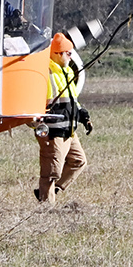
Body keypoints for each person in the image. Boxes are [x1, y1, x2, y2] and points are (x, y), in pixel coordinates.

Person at [34, 31, 91, 203]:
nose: (71, 56)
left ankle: (53, 190)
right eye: (68, 53)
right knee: (51, 172)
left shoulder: (67, 72)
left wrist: (84, 116)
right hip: (53, 131)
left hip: (69, 129)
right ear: (57, 54)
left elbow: (72, 100)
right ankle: (46, 206)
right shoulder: (46, 72)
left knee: (79, 161)